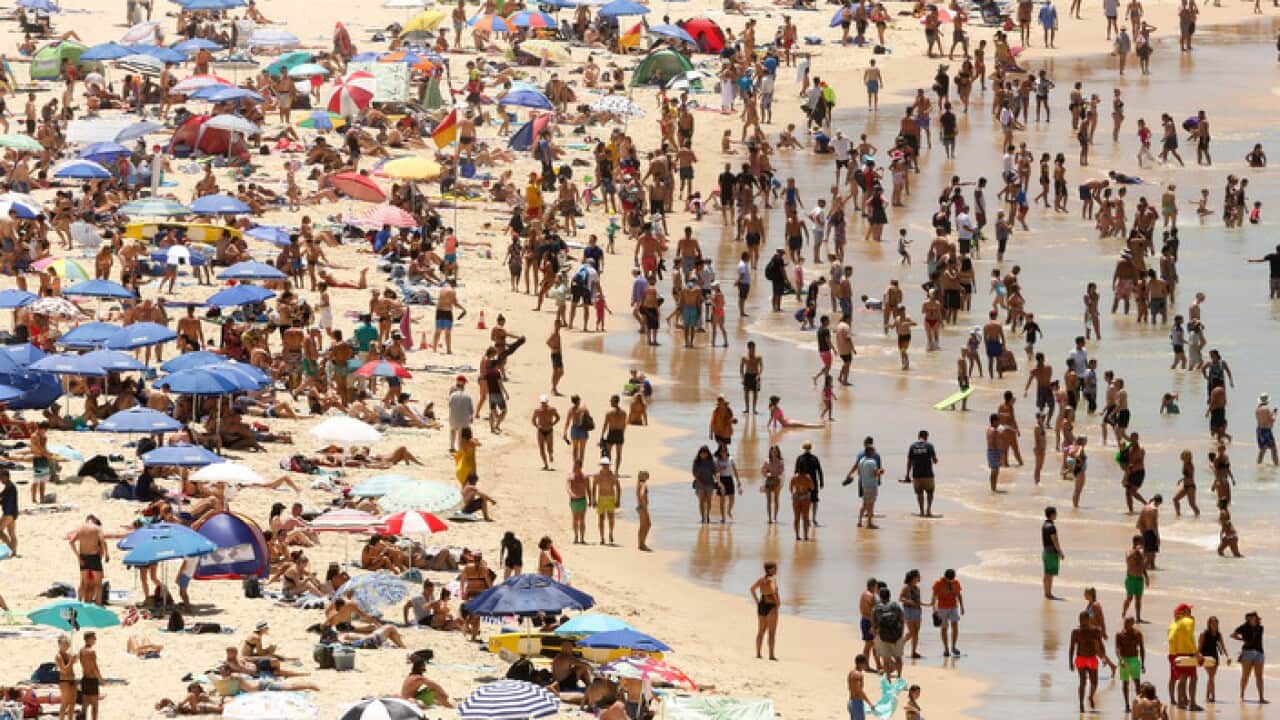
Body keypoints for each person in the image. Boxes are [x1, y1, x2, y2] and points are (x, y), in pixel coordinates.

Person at [1068, 611, 1105, 713]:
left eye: (1084, 620)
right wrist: (1070, 662)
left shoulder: (1095, 631)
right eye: (1080, 620)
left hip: (1092, 658)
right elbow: (1072, 647)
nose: (1082, 622)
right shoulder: (1076, 632)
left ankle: (1090, 696)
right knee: (1082, 682)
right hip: (1081, 659)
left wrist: (1103, 657)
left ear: (1089, 620)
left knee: (1095, 683)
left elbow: (1101, 645)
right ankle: (1081, 704)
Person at [1167, 603, 1202, 711]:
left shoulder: (1173, 624)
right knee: (1194, 678)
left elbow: (1171, 640)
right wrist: (1196, 653)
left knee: (1181, 679)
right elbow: (1189, 637)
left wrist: (1174, 656)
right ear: (1183, 612)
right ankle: (1192, 704)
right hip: (1187, 653)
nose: (1190, 612)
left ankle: (1180, 702)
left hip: (1174, 654)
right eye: (1188, 610)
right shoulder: (1188, 621)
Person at [69, 515, 107, 605]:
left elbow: (71, 542)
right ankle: (98, 606)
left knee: (83, 583)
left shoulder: (80, 528)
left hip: (83, 557)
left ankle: (78, 603)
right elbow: (102, 542)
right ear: (94, 520)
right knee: (98, 584)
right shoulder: (97, 528)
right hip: (94, 557)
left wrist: (78, 556)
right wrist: (104, 555)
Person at [871, 586, 906, 680]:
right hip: (896, 636)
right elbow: (902, 620)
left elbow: (874, 625)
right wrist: (901, 633)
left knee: (886, 659)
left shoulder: (876, 608)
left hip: (882, 636)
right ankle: (899, 677)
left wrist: (876, 637)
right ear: (889, 595)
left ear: (880, 596)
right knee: (898, 657)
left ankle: (888, 679)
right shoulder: (895, 606)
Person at [1232, 612, 1267, 704]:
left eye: (1254, 617)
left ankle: (1261, 698)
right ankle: (1242, 694)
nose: (1252, 618)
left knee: (1259, 676)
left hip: (1259, 653)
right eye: (1250, 617)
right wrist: (1242, 639)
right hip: (1247, 653)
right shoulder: (1243, 627)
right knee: (1245, 676)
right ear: (1247, 618)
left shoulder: (1260, 628)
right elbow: (1233, 635)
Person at [750, 562, 780, 661]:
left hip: (762, 605)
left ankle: (758, 653)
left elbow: (752, 589)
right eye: (775, 568)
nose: (776, 570)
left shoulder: (761, 579)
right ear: (770, 570)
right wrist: (777, 601)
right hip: (771, 606)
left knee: (761, 631)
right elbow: (772, 589)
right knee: (771, 632)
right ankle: (771, 655)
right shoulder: (772, 579)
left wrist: (757, 601)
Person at [930, 569, 964, 656]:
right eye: (949, 579)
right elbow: (934, 596)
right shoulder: (938, 583)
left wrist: (962, 607)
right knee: (944, 628)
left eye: (952, 579)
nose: (951, 581)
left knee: (955, 626)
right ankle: (946, 649)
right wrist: (934, 609)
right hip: (942, 608)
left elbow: (959, 595)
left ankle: (953, 647)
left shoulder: (956, 582)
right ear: (945, 577)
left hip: (953, 606)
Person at [1116, 616, 1147, 713]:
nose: (1125, 625)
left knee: (1137, 683)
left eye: (1128, 623)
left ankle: (1138, 704)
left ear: (1132, 623)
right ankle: (1127, 705)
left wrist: (1142, 664)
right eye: (1125, 623)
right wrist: (1121, 660)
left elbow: (1142, 649)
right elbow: (1117, 649)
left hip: (1134, 659)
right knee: (1125, 683)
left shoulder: (1137, 634)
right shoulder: (1119, 634)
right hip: (1124, 660)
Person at [905, 430, 939, 517]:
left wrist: (907, 474)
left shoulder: (912, 446)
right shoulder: (929, 446)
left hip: (916, 474)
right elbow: (935, 460)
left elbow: (909, 461)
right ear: (926, 437)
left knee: (919, 493)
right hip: (928, 474)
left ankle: (921, 512)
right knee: (930, 492)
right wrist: (935, 460)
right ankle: (928, 510)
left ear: (918, 436)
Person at [1122, 535, 1149, 623]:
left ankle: (1138, 618)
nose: (1143, 544)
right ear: (1136, 542)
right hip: (1131, 579)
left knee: (1138, 599)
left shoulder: (1141, 553)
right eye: (1141, 542)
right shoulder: (1129, 551)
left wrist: (1146, 577)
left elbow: (1143, 566)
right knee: (1129, 598)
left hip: (1139, 579)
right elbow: (1128, 558)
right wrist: (1136, 550)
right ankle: (1124, 613)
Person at [1042, 506, 1064, 599]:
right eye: (1055, 513)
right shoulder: (1052, 527)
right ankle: (1049, 593)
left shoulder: (1044, 525)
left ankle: (1046, 592)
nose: (1056, 515)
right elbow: (1055, 541)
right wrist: (1060, 552)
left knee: (1047, 574)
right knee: (1050, 575)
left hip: (1046, 552)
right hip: (1051, 553)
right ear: (1052, 515)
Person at [78, 632, 101, 720]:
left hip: (84, 679)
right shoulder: (92, 651)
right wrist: (101, 679)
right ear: (89, 639)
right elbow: (95, 667)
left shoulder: (81, 650)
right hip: (92, 680)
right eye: (94, 638)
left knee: (85, 705)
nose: (95, 639)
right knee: (95, 706)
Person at [55, 635, 76, 720]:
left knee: (72, 703)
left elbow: (71, 666)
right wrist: (71, 661)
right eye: (64, 644)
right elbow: (64, 670)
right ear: (59, 645)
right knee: (65, 703)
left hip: (72, 680)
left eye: (67, 644)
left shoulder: (68, 654)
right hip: (65, 681)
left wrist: (75, 658)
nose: (66, 646)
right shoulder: (58, 656)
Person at [847, 654, 873, 720]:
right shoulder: (857, 675)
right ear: (860, 664)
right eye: (865, 663)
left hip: (851, 701)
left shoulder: (851, 672)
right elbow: (859, 690)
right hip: (856, 703)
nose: (866, 665)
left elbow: (850, 687)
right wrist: (870, 703)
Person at [0, 469, 16, 556]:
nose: (0, 480)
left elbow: (4, 500)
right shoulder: (10, 485)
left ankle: (10, 547)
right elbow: (2, 495)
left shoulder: (9, 487)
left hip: (8, 513)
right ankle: (14, 552)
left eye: (1, 478)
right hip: (14, 513)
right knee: (12, 533)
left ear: (5, 477)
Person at [636, 470, 651, 551]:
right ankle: (642, 543)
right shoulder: (644, 484)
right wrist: (644, 505)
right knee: (647, 525)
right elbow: (642, 494)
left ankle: (641, 543)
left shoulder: (638, 484)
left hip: (639, 506)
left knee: (642, 526)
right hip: (643, 507)